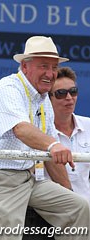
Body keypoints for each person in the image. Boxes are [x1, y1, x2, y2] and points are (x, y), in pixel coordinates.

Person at [0, 36, 89, 240]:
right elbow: (21, 129)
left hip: (27, 179)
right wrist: (54, 145)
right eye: (43, 66)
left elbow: (50, 155)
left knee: (79, 209)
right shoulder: (8, 89)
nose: (50, 74)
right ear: (24, 66)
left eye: (54, 67)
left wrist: (68, 192)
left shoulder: (43, 98)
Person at [46, 66, 90, 202]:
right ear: (48, 98)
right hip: (52, 212)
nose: (69, 98)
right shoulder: (40, 131)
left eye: (73, 91)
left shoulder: (88, 125)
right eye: (61, 93)